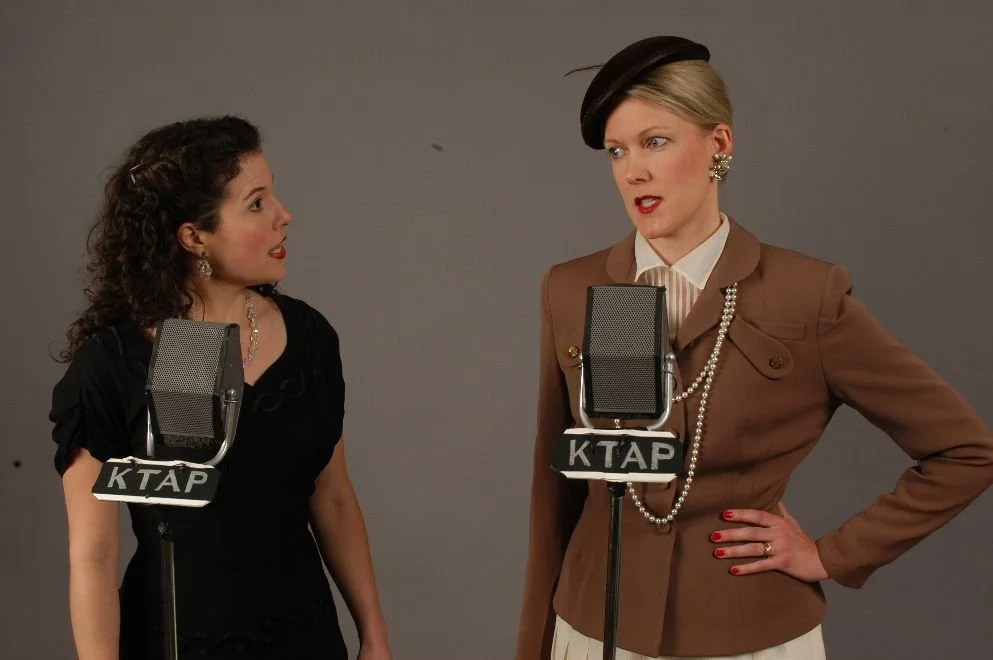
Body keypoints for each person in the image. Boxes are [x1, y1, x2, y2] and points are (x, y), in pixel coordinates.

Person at [515, 36, 993, 660]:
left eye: (655, 142)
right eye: (617, 151)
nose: (633, 171)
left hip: (748, 635)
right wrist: (534, 645)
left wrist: (831, 554)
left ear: (718, 144)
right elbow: (555, 495)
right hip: (592, 628)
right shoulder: (572, 288)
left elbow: (966, 451)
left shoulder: (805, 295)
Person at [49, 115, 392, 660]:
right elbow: (93, 556)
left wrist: (373, 634)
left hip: (304, 637)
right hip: (178, 641)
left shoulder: (309, 336)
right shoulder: (112, 364)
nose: (284, 216)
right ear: (194, 237)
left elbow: (333, 498)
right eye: (256, 203)